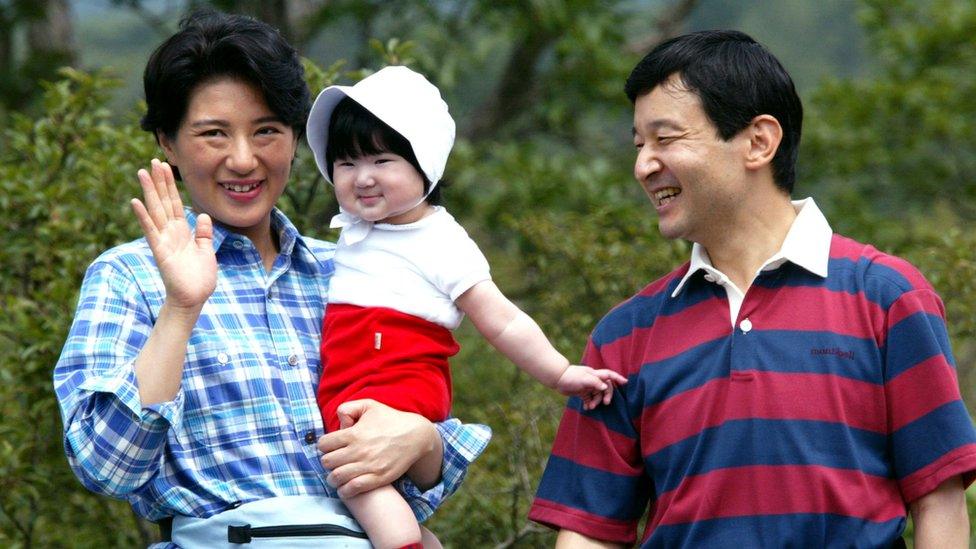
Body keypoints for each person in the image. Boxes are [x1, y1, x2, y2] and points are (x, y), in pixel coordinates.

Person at [53, 10, 489, 548]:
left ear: (295, 139)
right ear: (168, 141)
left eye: (266, 131)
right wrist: (180, 309)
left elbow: (420, 475)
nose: (243, 159)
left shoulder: (351, 270)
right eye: (213, 134)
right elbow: (107, 467)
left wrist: (422, 441)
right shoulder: (128, 277)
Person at [529, 29, 976, 548]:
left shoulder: (888, 298)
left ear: (759, 141)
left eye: (665, 139)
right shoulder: (625, 336)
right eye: (638, 144)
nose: (643, 165)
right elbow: (588, 533)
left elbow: (938, 501)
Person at [303, 66, 628, 549]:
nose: (362, 178)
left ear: (425, 164)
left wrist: (560, 374)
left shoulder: (441, 241)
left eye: (382, 159)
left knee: (360, 486)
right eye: (346, 164)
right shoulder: (356, 231)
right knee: (381, 505)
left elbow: (502, 318)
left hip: (391, 389)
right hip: (355, 388)